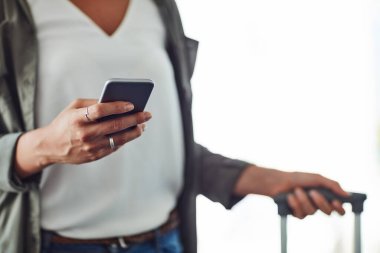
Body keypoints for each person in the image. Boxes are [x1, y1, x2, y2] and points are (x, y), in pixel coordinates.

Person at [0, 0, 349, 252]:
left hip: (166, 242)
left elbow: (162, 144)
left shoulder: (158, 8)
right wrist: (45, 146)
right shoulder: (12, 11)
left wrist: (272, 180)